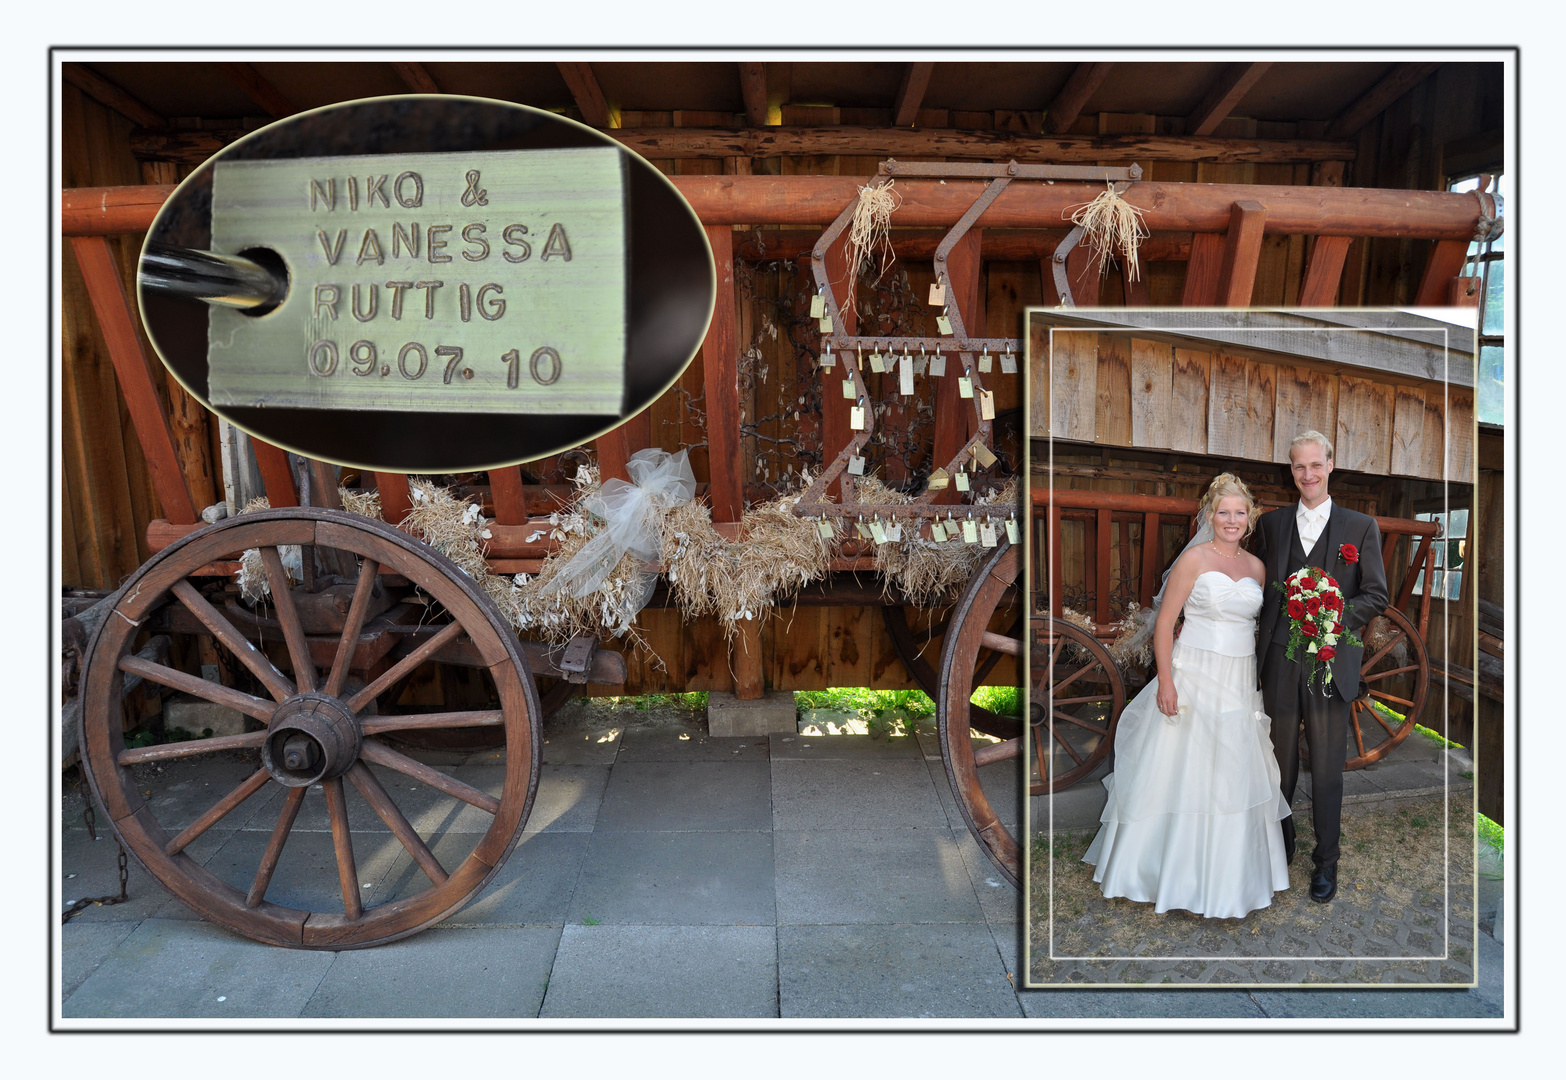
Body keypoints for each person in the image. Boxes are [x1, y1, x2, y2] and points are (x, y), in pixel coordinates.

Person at [1083, 473, 1292, 919]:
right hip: (1193, 673)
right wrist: (1166, 681)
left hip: (1237, 679)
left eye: (1240, 513)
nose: (1231, 520)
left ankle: (1234, 877)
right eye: (1223, 512)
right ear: (1209, 515)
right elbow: (1164, 624)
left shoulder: (1257, 568)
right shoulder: (1193, 560)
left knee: (1233, 772)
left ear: (1249, 518)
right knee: (1185, 770)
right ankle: (1165, 873)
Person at [1255, 430, 1388, 904]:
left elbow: (1376, 594)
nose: (1307, 475)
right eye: (1298, 467)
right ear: (1290, 470)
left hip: (1332, 663)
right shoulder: (1271, 525)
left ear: (1330, 464)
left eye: (1315, 465)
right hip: (1279, 660)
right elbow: (1263, 588)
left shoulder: (1360, 527)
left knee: (1329, 769)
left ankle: (1326, 862)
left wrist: (1332, 615)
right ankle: (1279, 846)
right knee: (1278, 763)